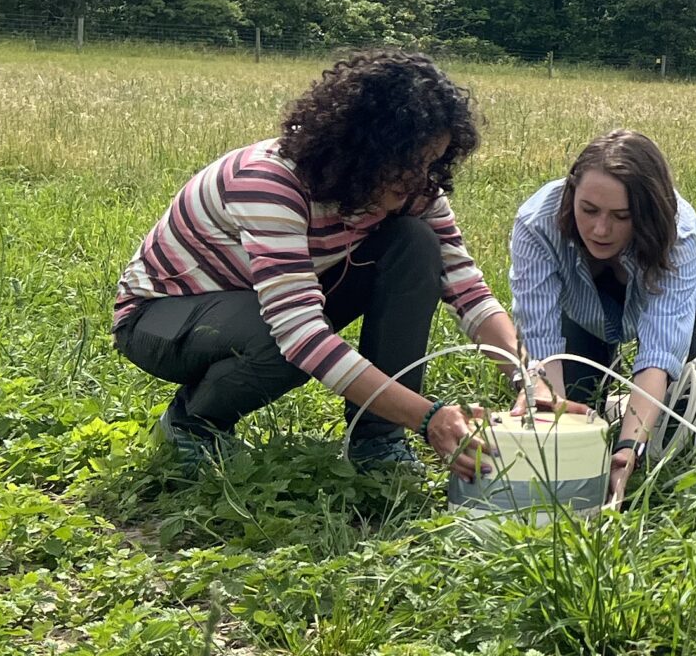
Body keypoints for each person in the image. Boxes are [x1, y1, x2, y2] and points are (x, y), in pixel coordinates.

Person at [113, 48, 526, 477]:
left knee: (415, 243)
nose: (424, 178)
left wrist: (526, 379)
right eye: (410, 162)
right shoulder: (270, 182)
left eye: (433, 161)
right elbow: (300, 334)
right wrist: (429, 417)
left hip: (258, 305)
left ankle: (378, 441)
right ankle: (191, 424)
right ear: (361, 149)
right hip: (159, 319)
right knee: (278, 341)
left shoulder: (415, 192)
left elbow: (467, 289)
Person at [509, 130, 696, 506]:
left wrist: (629, 450)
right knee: (574, 404)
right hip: (583, 309)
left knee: (674, 428)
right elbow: (540, 342)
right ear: (571, 195)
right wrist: (553, 429)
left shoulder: (679, 234)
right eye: (588, 210)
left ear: (645, 215)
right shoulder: (536, 224)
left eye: (621, 216)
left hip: (678, 310)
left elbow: (659, 354)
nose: (600, 229)